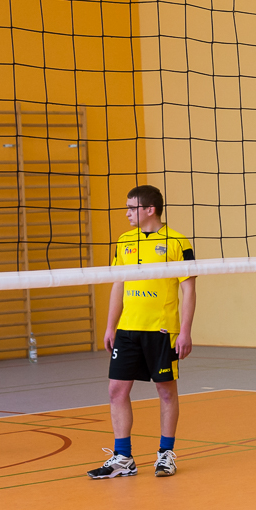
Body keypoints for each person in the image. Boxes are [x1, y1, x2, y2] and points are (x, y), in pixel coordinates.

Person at [87, 185, 196, 479]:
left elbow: (188, 289)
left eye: (131, 208)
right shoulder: (124, 241)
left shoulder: (177, 242)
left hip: (162, 329)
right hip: (128, 329)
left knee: (166, 391)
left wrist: (185, 331)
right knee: (116, 390)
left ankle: (165, 455)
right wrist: (111, 325)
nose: (126, 213)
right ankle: (123, 458)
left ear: (150, 209)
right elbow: (118, 284)